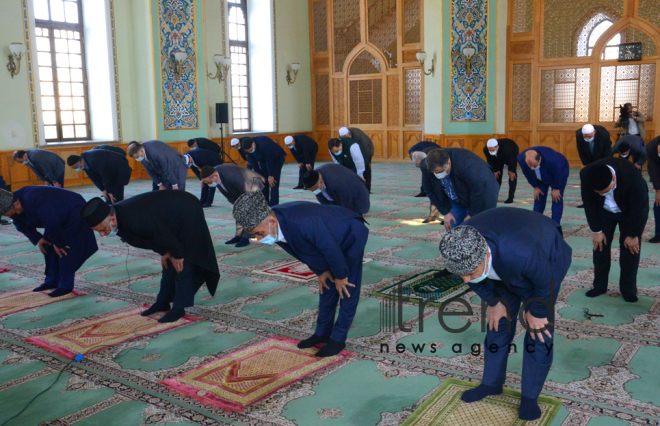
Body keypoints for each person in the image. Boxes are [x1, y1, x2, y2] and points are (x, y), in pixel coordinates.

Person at [438, 208, 571, 421]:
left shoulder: (522, 252)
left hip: (545, 260)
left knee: (539, 332)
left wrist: (536, 311)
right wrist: (494, 302)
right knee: (497, 323)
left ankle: (530, 397)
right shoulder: (461, 244)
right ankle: (491, 383)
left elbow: (546, 281)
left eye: (470, 273)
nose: (465, 280)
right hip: (502, 260)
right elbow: (471, 276)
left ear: (486, 255)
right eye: (461, 274)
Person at [232, 191, 368, 357]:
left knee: (347, 289)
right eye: (255, 235)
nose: (259, 239)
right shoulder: (274, 224)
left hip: (349, 233)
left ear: (272, 221)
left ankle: (338, 339)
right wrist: (321, 271)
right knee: (326, 286)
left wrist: (340, 276)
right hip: (327, 239)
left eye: (259, 233)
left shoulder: (301, 222)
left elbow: (329, 248)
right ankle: (322, 333)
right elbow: (302, 251)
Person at [81, 192, 220, 323]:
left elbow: (162, 234)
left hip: (186, 211)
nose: (101, 234)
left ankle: (179, 308)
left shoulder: (134, 219)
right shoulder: (118, 218)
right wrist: (164, 252)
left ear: (112, 219)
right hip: (165, 219)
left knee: (184, 264)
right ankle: (162, 303)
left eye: (102, 230)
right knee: (167, 264)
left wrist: (177, 255)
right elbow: (150, 237)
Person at [0, 187, 98, 297]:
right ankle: (52, 281)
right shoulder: (12, 202)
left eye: (9, 213)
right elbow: (19, 223)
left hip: (74, 211)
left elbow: (52, 224)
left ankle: (66, 285)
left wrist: (59, 243)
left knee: (65, 249)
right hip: (56, 217)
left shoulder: (33, 199)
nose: (8, 216)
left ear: (17, 204)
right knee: (47, 245)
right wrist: (38, 238)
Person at [580, 158, 648, 303]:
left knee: (630, 249)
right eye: (599, 193)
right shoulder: (586, 174)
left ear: (614, 181)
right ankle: (599, 286)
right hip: (604, 212)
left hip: (628, 212)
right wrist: (596, 231)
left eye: (605, 192)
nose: (603, 194)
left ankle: (628, 289)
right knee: (600, 247)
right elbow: (589, 203)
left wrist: (633, 234)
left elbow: (640, 209)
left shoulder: (631, 176)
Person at [421, 148, 498, 230]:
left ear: (449, 163)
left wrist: (472, 214)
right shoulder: (427, 166)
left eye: (440, 171)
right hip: (455, 197)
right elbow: (430, 191)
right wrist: (446, 212)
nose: (437, 175)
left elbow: (478, 192)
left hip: (482, 195)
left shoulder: (470, 166)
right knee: (452, 227)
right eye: (434, 172)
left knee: (477, 229)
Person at [200, 165, 265, 247]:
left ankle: (245, 238)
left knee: (248, 211)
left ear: (215, 176)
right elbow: (228, 193)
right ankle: (238, 236)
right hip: (240, 187)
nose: (209, 185)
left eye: (209, 182)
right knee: (238, 210)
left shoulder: (231, 176)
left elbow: (246, 195)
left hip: (252, 184)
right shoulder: (215, 174)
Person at [518, 147, 569, 234]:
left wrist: (556, 188)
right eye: (529, 165)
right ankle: (536, 224)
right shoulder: (520, 158)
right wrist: (535, 187)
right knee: (538, 198)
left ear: (540, 158)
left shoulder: (554, 160)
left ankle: (555, 226)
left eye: (534, 165)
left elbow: (560, 174)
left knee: (556, 199)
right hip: (539, 178)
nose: (532, 168)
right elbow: (527, 173)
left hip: (556, 175)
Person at [67, 149, 132, 204]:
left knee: (116, 195)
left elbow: (105, 176)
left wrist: (109, 191)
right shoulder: (83, 161)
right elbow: (94, 178)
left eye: (76, 167)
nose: (76, 169)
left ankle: (119, 208)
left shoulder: (93, 160)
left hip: (119, 167)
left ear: (80, 162)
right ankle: (110, 206)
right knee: (108, 195)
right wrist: (103, 189)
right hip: (109, 170)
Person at [302, 164, 370, 215]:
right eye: (311, 190)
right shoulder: (315, 178)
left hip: (356, 192)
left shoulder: (337, 181)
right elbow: (321, 198)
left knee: (357, 212)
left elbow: (346, 202)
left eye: (314, 189)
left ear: (321, 181)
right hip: (337, 193)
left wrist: (345, 216)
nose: (314, 191)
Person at [242, 136, 286, 206]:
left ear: (254, 144)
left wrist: (271, 175)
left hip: (276, 159)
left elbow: (270, 161)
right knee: (263, 181)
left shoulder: (264, 145)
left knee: (273, 182)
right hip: (263, 160)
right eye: (248, 151)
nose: (250, 152)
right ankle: (265, 203)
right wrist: (260, 175)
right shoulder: (247, 149)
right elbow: (253, 162)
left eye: (250, 150)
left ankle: (273, 205)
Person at [483, 138, 519, 204]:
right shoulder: (485, 149)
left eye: (493, 150)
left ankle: (511, 197)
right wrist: (495, 170)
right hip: (496, 158)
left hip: (512, 153)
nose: (491, 151)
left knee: (512, 176)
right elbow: (490, 160)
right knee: (496, 176)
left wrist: (512, 170)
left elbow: (513, 160)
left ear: (498, 147)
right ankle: (494, 196)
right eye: (489, 150)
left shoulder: (507, 150)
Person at [339, 127, 374, 192]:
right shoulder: (342, 136)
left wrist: (367, 159)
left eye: (345, 137)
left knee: (366, 169)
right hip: (353, 152)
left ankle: (367, 189)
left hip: (367, 151)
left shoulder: (358, 135)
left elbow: (366, 147)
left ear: (349, 134)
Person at [411, 150, 442, 224]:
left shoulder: (425, 165)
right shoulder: (425, 163)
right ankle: (433, 216)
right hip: (436, 183)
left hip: (442, 182)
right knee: (436, 196)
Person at [646, 136, 660, 244]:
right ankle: (658, 234)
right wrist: (658, 190)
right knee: (658, 204)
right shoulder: (651, 147)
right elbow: (653, 169)